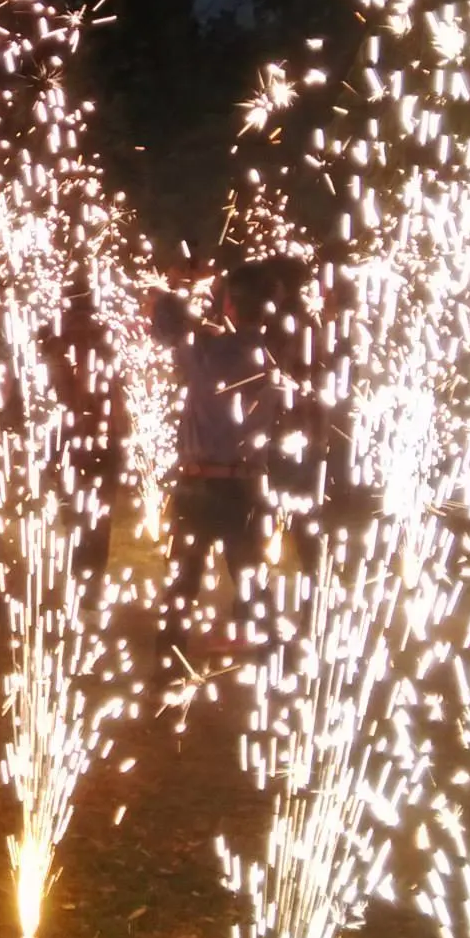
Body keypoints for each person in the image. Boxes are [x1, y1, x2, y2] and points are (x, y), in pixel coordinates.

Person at [152, 256, 310, 672]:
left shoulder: (205, 351)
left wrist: (183, 285)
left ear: (230, 307)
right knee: (251, 579)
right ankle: (276, 658)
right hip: (245, 487)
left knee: (184, 582)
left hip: (201, 486)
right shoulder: (276, 357)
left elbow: (165, 320)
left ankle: (170, 665)